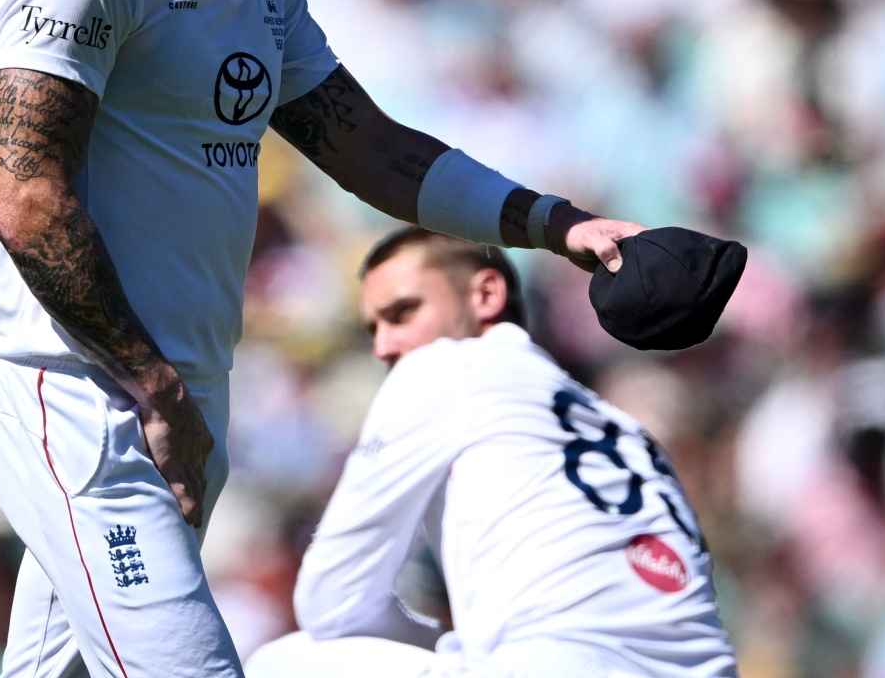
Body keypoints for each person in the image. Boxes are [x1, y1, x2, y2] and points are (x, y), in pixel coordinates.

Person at [0, 0, 645, 678]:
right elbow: (26, 204)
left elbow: (366, 146)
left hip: (180, 391)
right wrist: (149, 382)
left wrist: (556, 225)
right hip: (83, 399)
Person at [246, 228, 738, 678]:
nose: (384, 345)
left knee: (281, 662)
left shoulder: (444, 368)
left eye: (402, 313)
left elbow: (332, 602)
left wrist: (443, 640)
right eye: (373, 328)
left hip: (554, 665)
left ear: (485, 294)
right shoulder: (630, 431)